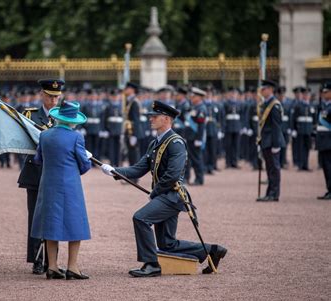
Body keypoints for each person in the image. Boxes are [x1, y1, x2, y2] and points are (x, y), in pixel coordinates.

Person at [101, 100, 227, 277]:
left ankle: (151, 264)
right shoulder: (155, 143)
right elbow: (138, 168)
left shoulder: (176, 143)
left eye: (155, 116)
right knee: (167, 244)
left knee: (140, 218)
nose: (151, 119)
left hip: (172, 196)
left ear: (167, 119)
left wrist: (155, 192)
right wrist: (115, 170)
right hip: (164, 194)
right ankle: (212, 250)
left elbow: (172, 175)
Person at [31, 100, 92, 280]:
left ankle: (52, 267)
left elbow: (38, 159)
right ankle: (72, 266)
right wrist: (85, 160)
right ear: (73, 120)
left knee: (51, 223)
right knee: (75, 224)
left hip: (48, 184)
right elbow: (85, 165)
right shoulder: (76, 137)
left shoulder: (45, 135)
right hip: (70, 184)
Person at [17, 79, 64, 274]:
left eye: (57, 97)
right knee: (36, 218)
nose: (54, 101)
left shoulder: (63, 117)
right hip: (35, 172)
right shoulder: (30, 114)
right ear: (42, 95)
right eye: (50, 96)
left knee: (53, 217)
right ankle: (37, 258)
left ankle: (51, 261)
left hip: (55, 173)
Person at [256, 80, 286, 202]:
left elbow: (276, 127)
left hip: (273, 142)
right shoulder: (266, 103)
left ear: (270, 90)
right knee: (269, 168)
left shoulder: (274, 105)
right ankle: (270, 192)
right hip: (266, 141)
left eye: (263, 89)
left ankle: (274, 193)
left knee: (274, 168)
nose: (261, 91)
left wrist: (276, 144)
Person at [316, 83, 331, 200]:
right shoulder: (323, 106)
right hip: (323, 141)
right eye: (323, 92)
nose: (324, 94)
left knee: (329, 166)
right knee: (325, 166)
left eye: (326, 92)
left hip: (329, 140)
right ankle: (329, 189)